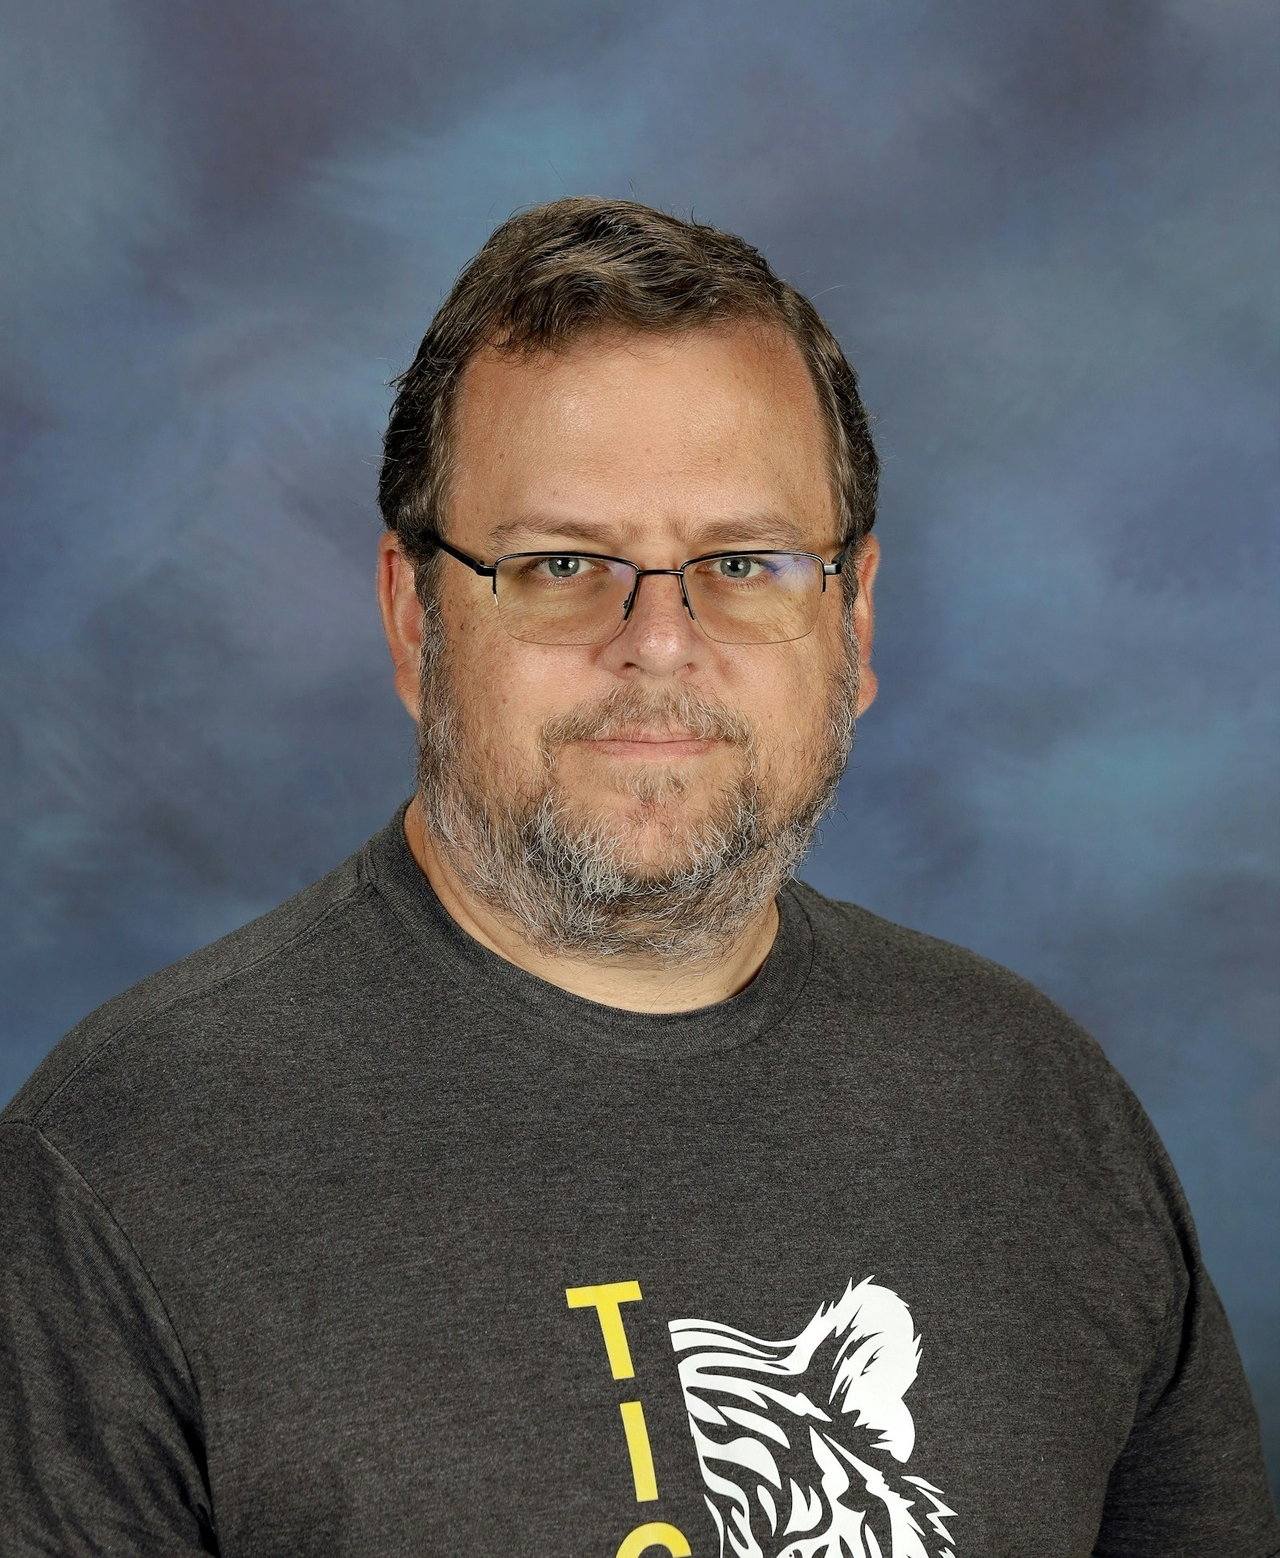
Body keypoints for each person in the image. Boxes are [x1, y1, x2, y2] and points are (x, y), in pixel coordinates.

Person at [0, 198, 1274, 1558]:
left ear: (852, 618)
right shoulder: (121, 1173)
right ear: (414, 620)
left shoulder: (1040, 1110)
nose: (659, 642)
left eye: (744, 563)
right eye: (561, 563)